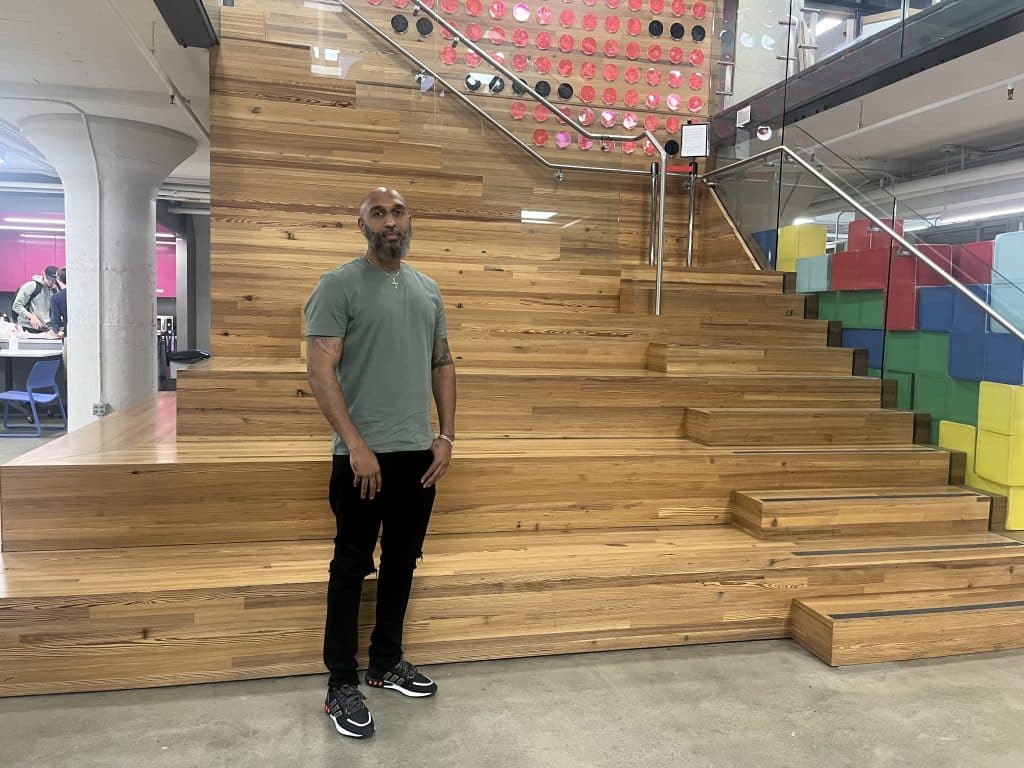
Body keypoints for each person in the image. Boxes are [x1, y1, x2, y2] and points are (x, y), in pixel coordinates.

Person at [304, 187, 457, 740]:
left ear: (409, 220)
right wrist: (356, 443)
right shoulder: (338, 285)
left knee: (401, 562)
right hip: (360, 459)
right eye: (378, 214)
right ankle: (340, 683)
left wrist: (447, 436)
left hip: (418, 455)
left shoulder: (428, 289)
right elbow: (320, 372)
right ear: (362, 224)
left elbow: (442, 364)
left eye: (397, 212)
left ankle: (385, 661)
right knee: (350, 567)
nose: (390, 222)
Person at [12, 265, 58, 333]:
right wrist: (31, 316)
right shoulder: (31, 286)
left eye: (54, 280)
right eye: (49, 279)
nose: (51, 282)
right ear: (44, 274)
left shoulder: (53, 290)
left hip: (44, 329)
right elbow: (16, 305)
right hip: (27, 328)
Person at [50, 268, 67, 338]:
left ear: (58, 279)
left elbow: (56, 321)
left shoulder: (55, 298)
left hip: (68, 334)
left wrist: (57, 330)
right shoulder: (82, 294)